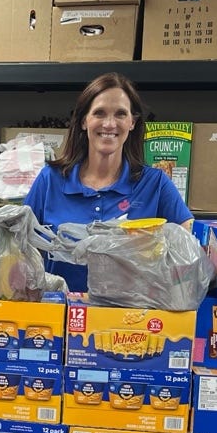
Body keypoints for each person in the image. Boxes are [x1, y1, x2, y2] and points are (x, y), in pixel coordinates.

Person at [22, 72, 193, 292]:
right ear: (84, 120)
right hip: (59, 317)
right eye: (99, 113)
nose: (110, 124)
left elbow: (190, 245)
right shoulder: (50, 180)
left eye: (121, 114)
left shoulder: (155, 184)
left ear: (132, 122)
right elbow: (15, 247)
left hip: (131, 320)